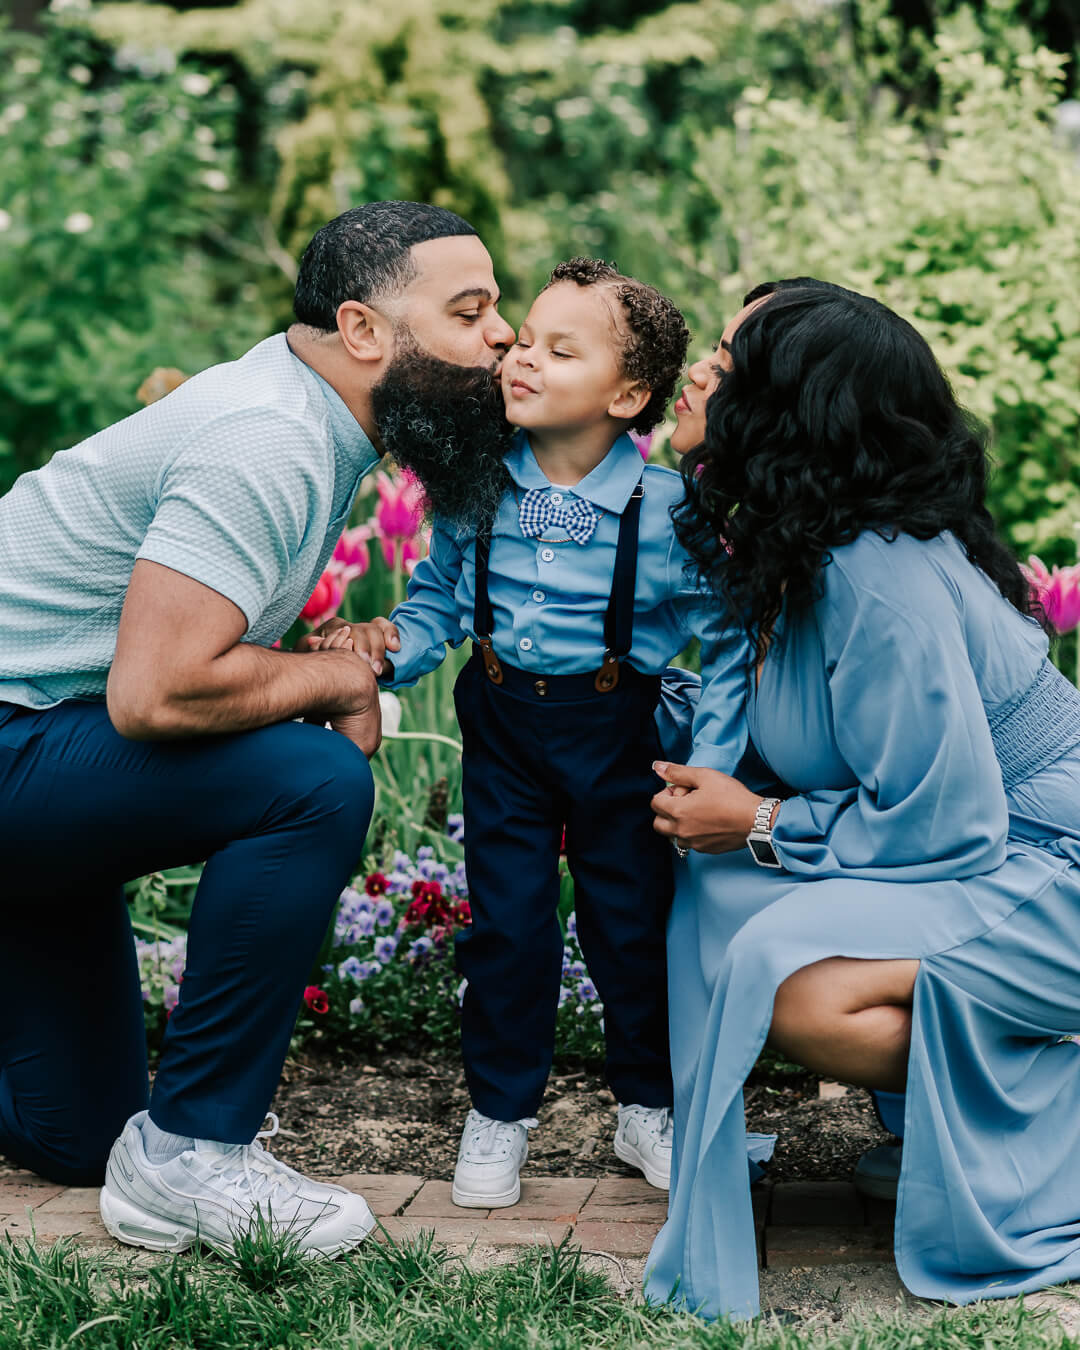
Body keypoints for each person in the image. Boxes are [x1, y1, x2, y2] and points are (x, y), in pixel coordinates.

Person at [0, 200, 516, 1256]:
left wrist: (323, 664)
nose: (502, 336)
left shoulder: (309, 421)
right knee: (310, 780)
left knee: (80, 1137)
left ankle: (147, 1145)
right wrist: (328, 682)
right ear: (364, 330)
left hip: (41, 742)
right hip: (18, 742)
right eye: (470, 312)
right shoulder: (269, 437)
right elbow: (157, 695)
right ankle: (195, 1151)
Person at [644, 279, 1080, 1319]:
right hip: (986, 848)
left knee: (801, 986)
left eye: (731, 359)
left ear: (794, 410)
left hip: (1046, 864)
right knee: (721, 900)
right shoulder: (799, 545)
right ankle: (960, 1122)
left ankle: (1019, 1132)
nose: (702, 369)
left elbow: (946, 822)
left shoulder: (875, 573)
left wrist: (753, 822)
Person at [347, 259, 750, 1209]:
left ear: (628, 394)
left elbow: (731, 637)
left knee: (629, 924)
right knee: (510, 924)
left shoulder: (670, 512)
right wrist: (383, 647)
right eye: (523, 340)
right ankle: (500, 1111)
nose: (522, 358)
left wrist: (715, 760)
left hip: (620, 735)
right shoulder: (478, 484)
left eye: (558, 350)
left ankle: (646, 1105)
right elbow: (441, 601)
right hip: (503, 729)